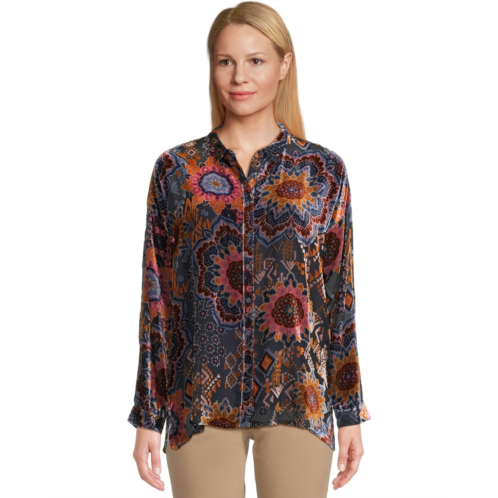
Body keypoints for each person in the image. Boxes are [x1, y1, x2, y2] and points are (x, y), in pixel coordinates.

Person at [128, 2, 371, 497]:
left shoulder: (323, 172)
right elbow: (157, 301)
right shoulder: (177, 171)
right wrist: (148, 416)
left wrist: (348, 411)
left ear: (284, 65)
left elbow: (339, 298)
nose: (239, 76)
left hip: (299, 397)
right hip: (198, 402)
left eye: (256, 60)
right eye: (226, 61)